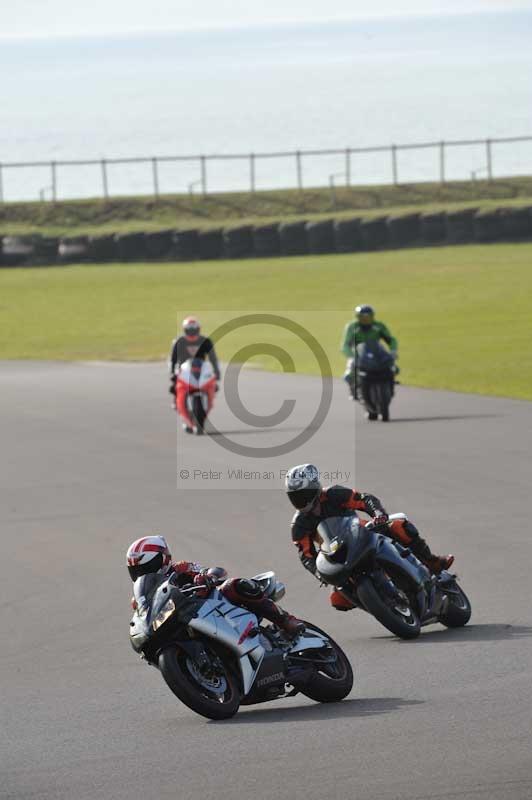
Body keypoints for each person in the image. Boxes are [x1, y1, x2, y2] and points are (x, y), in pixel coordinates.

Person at [285, 464, 454, 612]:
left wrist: (378, 514)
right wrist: (317, 572)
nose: (300, 500)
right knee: (338, 599)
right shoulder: (299, 524)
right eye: (294, 496)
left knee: (400, 527)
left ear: (315, 487)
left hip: (363, 533)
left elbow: (364, 499)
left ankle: (431, 562)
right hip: (338, 555)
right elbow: (306, 555)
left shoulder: (333, 494)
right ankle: (381, 608)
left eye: (304, 494)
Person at [126, 535, 304, 637]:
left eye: (147, 567)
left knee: (233, 585)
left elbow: (216, 570)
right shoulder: (140, 600)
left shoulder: (180, 569)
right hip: (186, 624)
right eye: (138, 570)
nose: (144, 574)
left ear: (163, 559)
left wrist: (207, 578)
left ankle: (285, 620)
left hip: (214, 606)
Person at [341, 304, 398, 405]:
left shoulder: (379, 326)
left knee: (393, 367)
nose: (366, 320)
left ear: (372, 316)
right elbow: (345, 345)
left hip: (377, 353)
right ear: (358, 317)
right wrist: (351, 356)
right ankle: (353, 390)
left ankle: (390, 385)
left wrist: (393, 351)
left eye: (368, 317)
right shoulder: (352, 327)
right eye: (362, 317)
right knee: (350, 372)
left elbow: (391, 340)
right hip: (358, 354)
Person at [168, 317, 221, 407]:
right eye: (189, 330)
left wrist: (217, 371)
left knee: (213, 384)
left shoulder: (206, 341)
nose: (192, 332)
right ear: (185, 330)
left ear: (198, 329)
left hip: (201, 367)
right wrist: (172, 372)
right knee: (174, 384)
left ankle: (210, 398)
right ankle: (176, 400)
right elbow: (173, 359)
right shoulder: (178, 341)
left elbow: (213, 358)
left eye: (194, 329)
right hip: (183, 368)